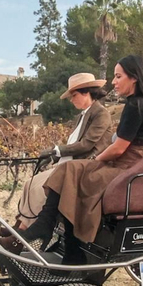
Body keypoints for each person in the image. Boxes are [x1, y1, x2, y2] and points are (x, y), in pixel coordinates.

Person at [6, 55, 143, 262]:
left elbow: (117, 149)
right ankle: (54, 233)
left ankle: (56, 234)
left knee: (75, 174)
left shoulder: (135, 106)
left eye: (118, 76)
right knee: (69, 171)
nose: (114, 82)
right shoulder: (140, 105)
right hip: (127, 164)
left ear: (134, 77)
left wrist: (96, 160)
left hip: (130, 168)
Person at [13, 72, 113, 243]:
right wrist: (55, 156)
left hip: (85, 167)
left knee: (40, 188)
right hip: (70, 164)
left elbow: (87, 145)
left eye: (74, 95)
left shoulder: (101, 114)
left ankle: (24, 234)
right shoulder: (82, 116)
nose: (71, 100)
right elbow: (73, 145)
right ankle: (20, 226)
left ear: (86, 92)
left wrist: (56, 150)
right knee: (30, 183)